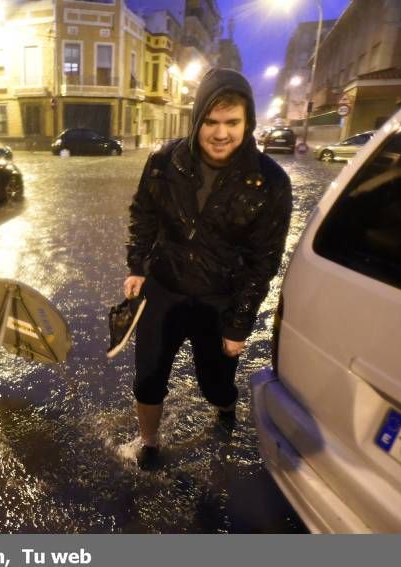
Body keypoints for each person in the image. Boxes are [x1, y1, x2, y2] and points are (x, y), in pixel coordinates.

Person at [121, 68, 293, 469]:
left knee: (215, 383)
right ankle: (148, 443)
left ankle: (225, 407)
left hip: (220, 300)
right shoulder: (164, 162)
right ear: (197, 121)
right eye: (211, 122)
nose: (221, 134)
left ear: (247, 122)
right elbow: (143, 214)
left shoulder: (270, 182)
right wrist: (138, 266)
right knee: (148, 376)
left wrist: (238, 326)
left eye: (232, 123)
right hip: (164, 290)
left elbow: (263, 260)